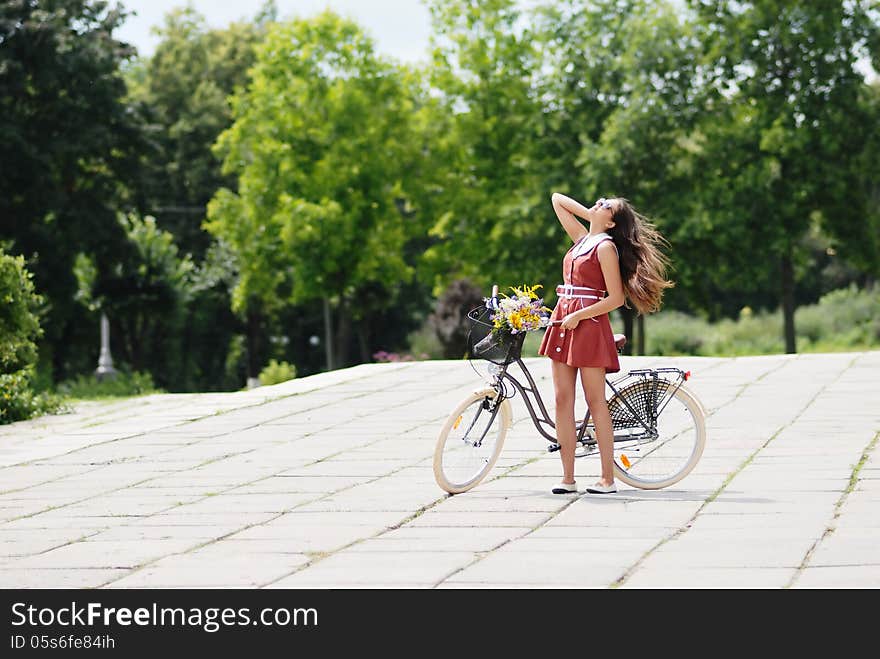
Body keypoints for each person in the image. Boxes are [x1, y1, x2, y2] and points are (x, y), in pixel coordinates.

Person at [539, 193, 672, 495]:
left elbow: (615, 298)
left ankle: (607, 479)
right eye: (599, 202)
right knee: (562, 399)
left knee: (595, 401)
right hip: (565, 321)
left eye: (606, 206)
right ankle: (568, 478)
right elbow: (557, 199)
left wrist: (580, 315)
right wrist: (592, 213)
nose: (598, 204)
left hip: (588, 325)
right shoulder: (582, 239)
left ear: (611, 222)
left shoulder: (606, 247)